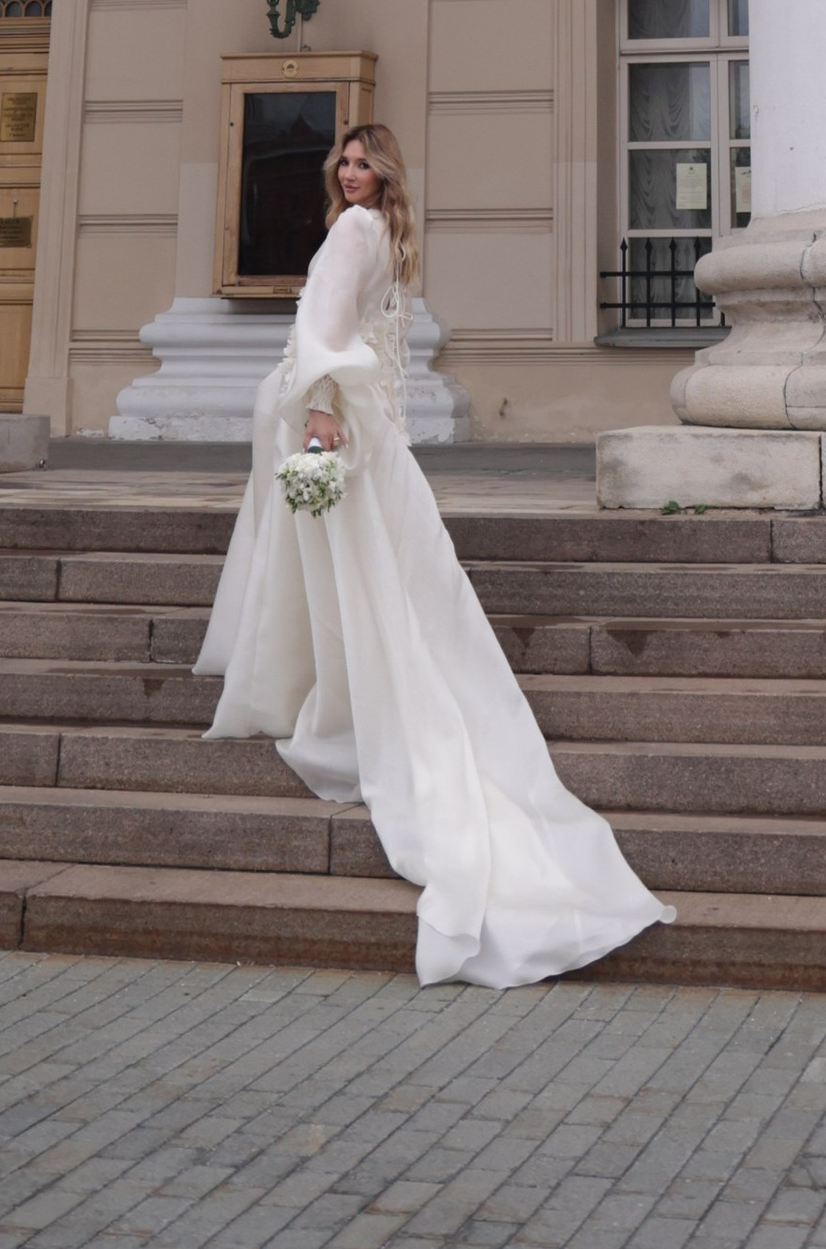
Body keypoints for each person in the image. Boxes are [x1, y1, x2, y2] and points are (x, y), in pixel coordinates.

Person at [192, 119, 673, 987]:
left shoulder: (355, 231)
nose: (348, 171)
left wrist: (319, 414)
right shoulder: (386, 235)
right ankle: (327, 681)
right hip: (354, 419)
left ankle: (340, 696)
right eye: (341, 159)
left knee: (352, 572)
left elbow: (324, 329)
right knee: (365, 571)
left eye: (363, 161)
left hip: (330, 415)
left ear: (386, 174)